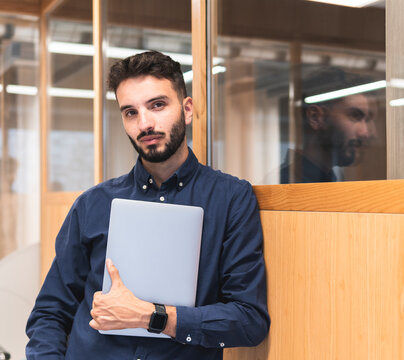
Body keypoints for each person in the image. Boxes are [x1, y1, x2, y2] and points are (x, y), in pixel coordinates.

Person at [26, 51, 270, 359]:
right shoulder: (93, 204)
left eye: (157, 105)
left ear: (188, 109)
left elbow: (249, 321)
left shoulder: (231, 199)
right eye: (130, 112)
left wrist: (150, 316)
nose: (145, 124)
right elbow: (50, 312)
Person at [280, 91, 378, 183]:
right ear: (316, 117)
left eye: (367, 120)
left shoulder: (330, 177)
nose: (365, 133)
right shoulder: (287, 184)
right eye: (355, 115)